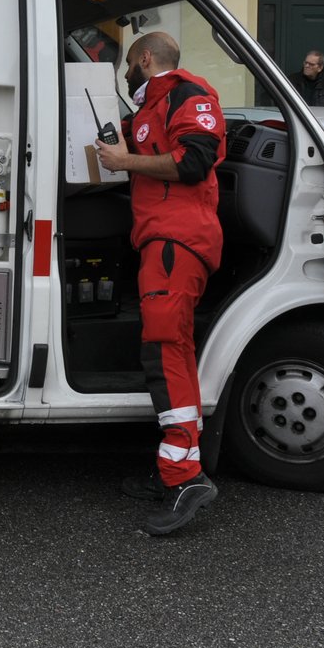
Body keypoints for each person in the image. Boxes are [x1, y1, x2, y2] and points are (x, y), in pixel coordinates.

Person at [93, 31, 225, 535]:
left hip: (178, 240)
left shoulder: (189, 95)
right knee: (172, 352)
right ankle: (177, 470)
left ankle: (185, 477)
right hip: (161, 240)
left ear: (145, 58)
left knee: (165, 351)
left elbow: (193, 163)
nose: (126, 73)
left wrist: (125, 162)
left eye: (129, 63)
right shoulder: (151, 106)